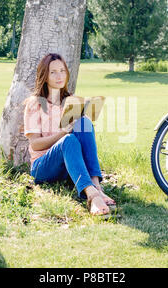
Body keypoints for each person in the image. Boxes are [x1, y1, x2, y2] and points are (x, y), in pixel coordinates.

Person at [23, 53, 116, 216]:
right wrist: (63, 133)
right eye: (53, 72)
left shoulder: (71, 100)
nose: (59, 76)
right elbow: (35, 144)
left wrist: (83, 118)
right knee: (68, 139)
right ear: (45, 75)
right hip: (43, 167)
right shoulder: (35, 103)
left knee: (84, 123)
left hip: (68, 165)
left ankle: (97, 186)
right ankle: (92, 196)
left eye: (62, 71)